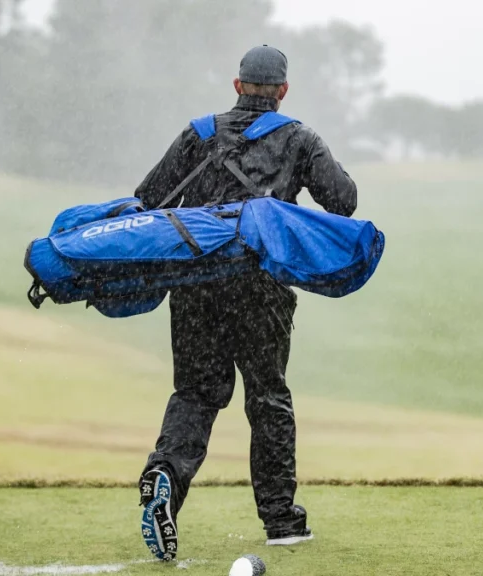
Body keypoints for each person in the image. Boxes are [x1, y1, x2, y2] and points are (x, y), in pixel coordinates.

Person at [132, 44, 358, 562]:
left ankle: (164, 474)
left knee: (195, 393)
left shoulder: (197, 133)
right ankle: (281, 522)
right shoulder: (299, 138)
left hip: (195, 284)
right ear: (282, 91)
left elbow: (149, 200)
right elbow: (343, 200)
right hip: (260, 288)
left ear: (236, 87)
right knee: (267, 398)